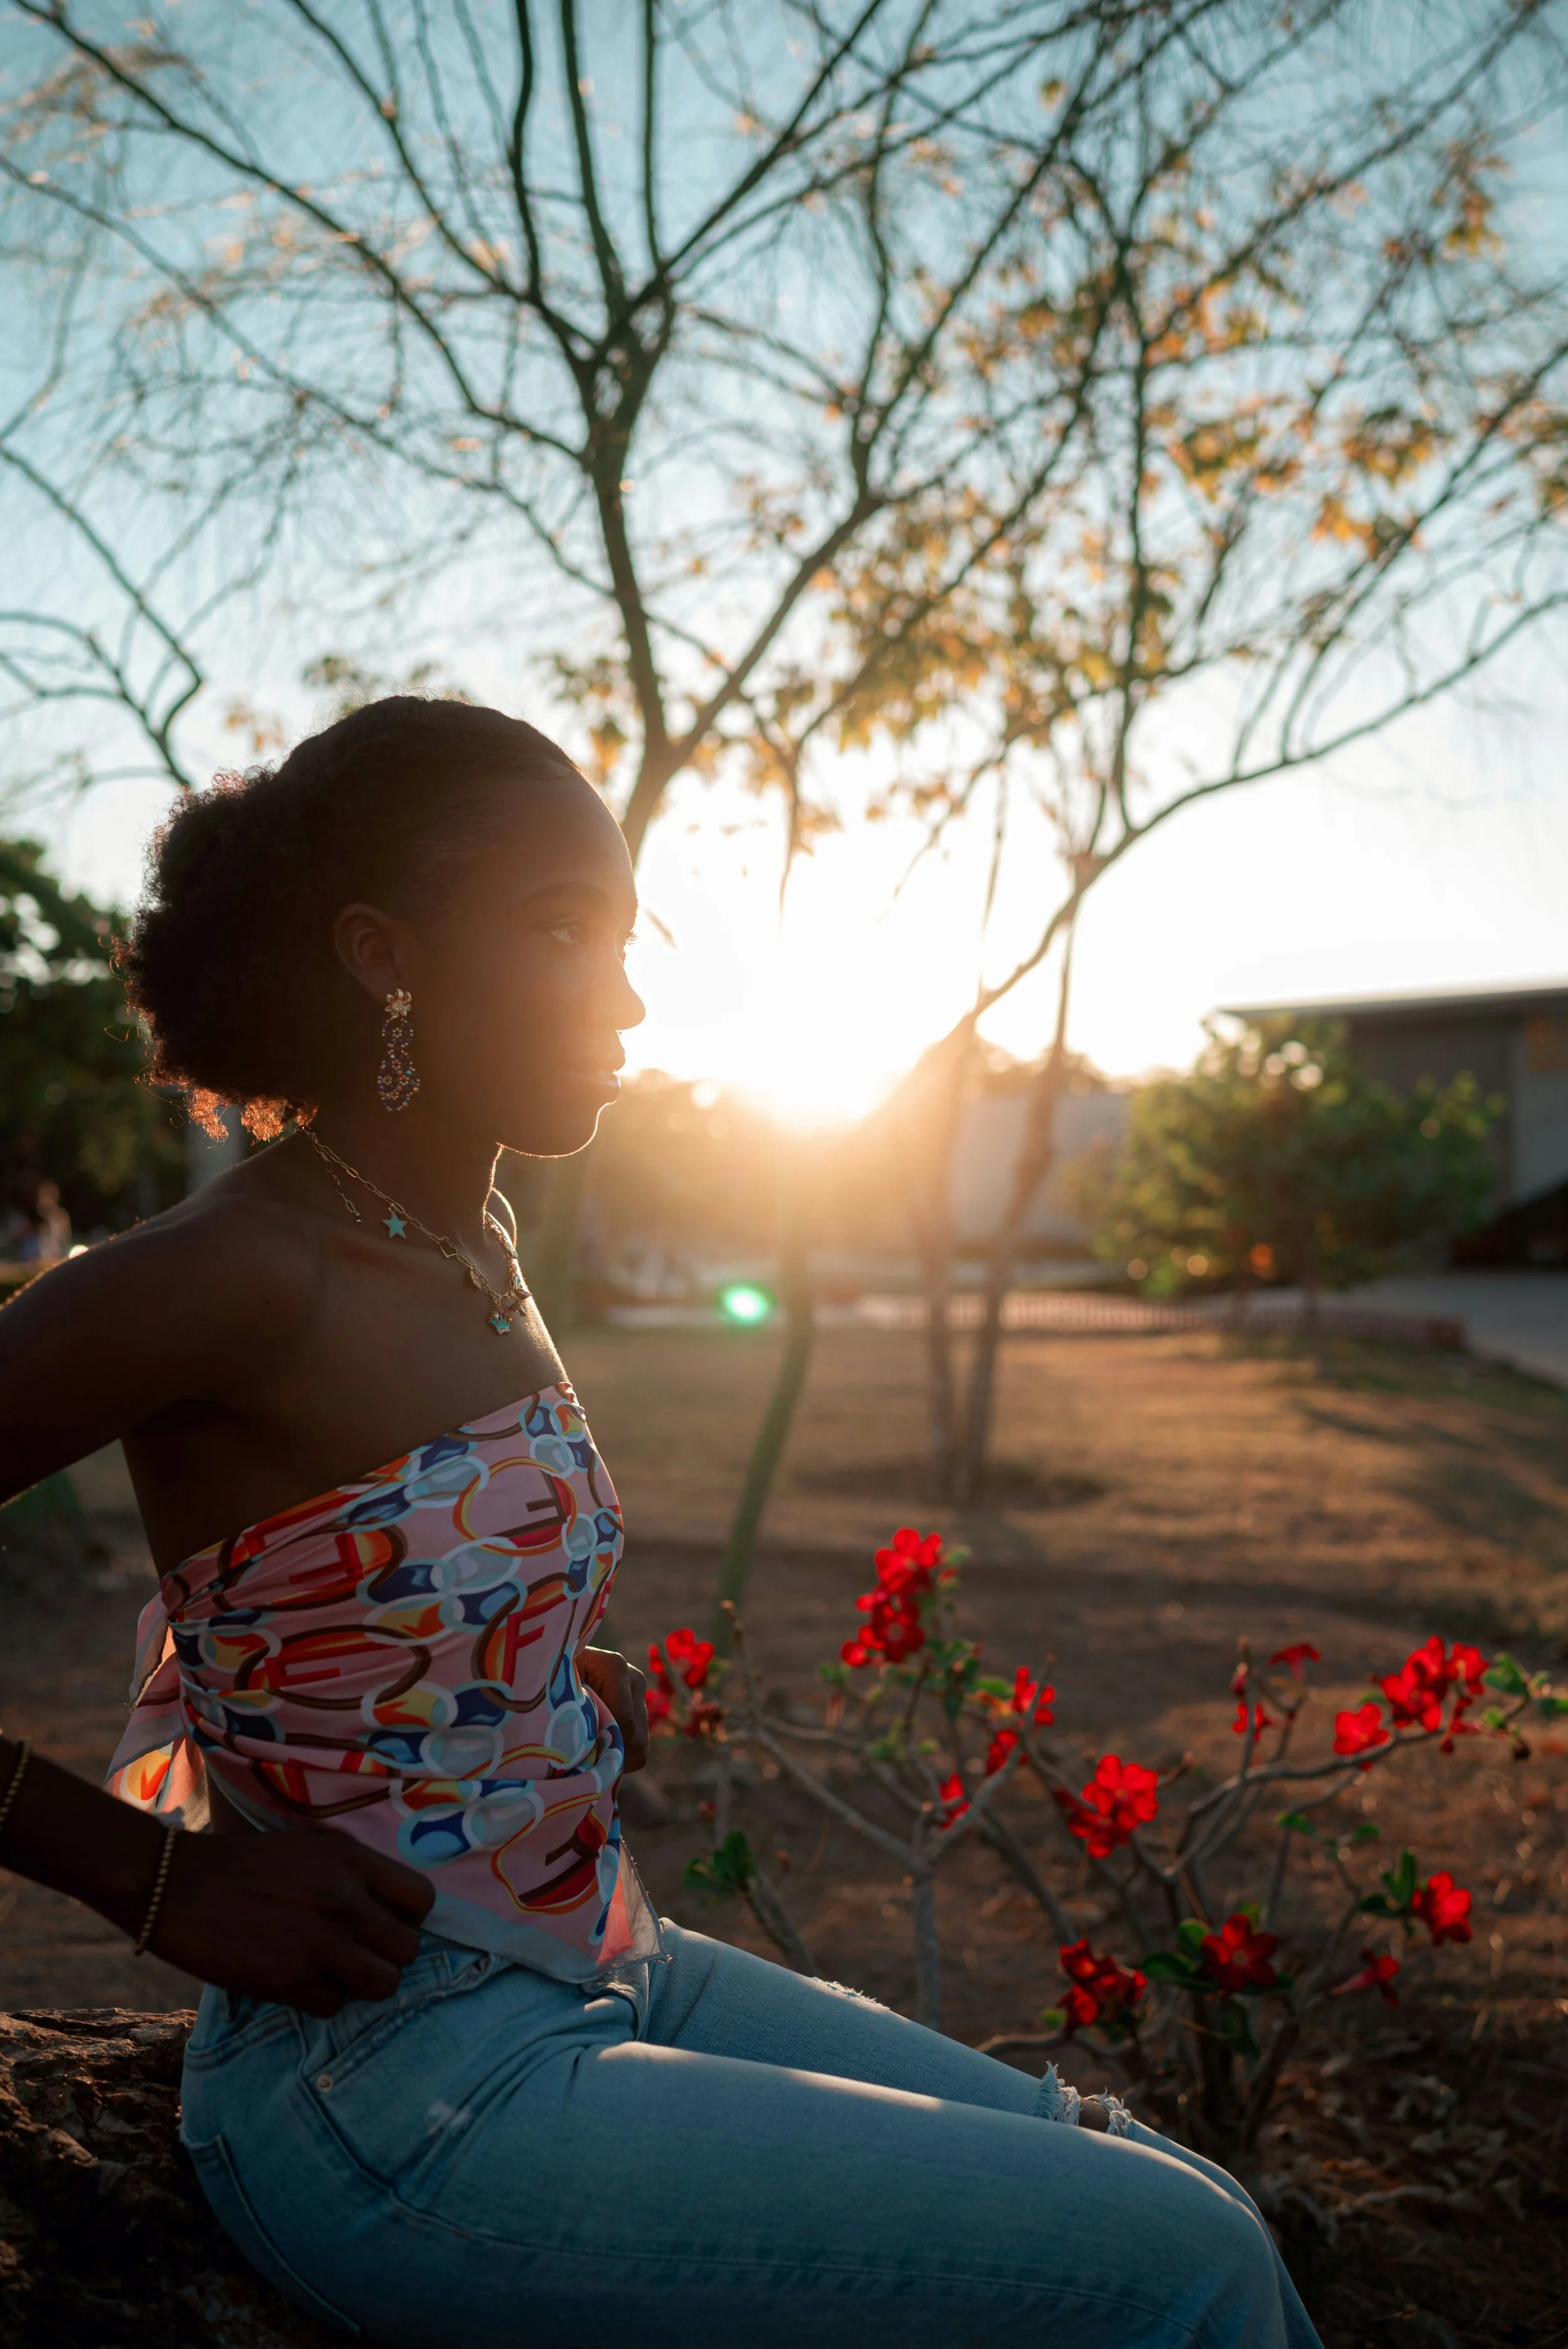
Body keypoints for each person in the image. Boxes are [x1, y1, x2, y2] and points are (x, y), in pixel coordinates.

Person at [0, 699, 1322, 2348]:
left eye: (626, 935)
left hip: (600, 1966)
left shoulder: (467, 1232)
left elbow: (335, 1581)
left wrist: (529, 1670)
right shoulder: (238, 1271)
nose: (624, 996)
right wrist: (149, 1884)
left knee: (1186, 2199)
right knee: (1170, 2272)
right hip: (392, 2089)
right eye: (562, 930)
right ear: (380, 955)